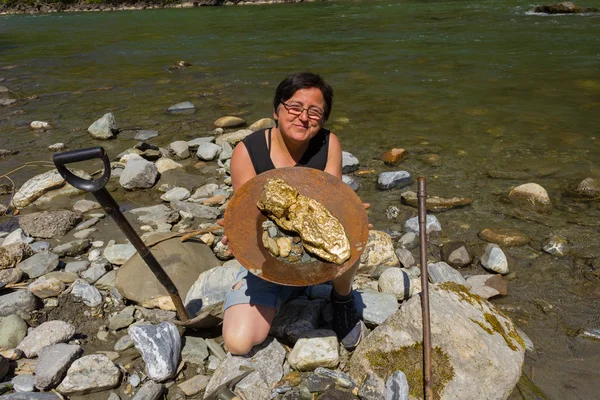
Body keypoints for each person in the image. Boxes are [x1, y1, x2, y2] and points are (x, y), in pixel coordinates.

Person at [222, 72, 363, 356]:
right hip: (268, 257)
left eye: (315, 112)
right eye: (294, 107)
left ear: (322, 119)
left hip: (316, 254)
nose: (303, 117)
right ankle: (284, 290)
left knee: (354, 230)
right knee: (238, 343)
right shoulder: (248, 152)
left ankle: (342, 296)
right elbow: (249, 217)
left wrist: (350, 210)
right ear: (276, 110)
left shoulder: (328, 144)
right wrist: (235, 231)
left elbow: (330, 202)